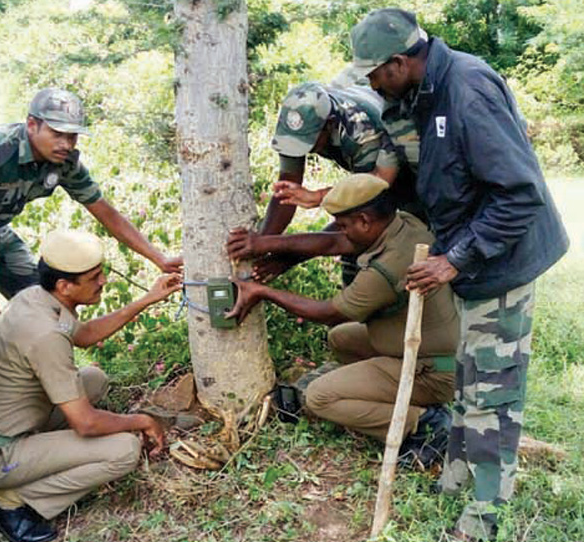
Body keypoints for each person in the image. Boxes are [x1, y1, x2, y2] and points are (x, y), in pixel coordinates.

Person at [349, 8, 569, 540]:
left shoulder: (466, 88)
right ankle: (458, 477)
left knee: (494, 393)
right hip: (473, 261)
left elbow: (519, 194)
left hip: (503, 264)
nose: (373, 84)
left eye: (374, 73)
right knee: (469, 379)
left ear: (399, 62)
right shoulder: (424, 94)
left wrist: (453, 259)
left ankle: (484, 516)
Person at [0, 230, 181, 542]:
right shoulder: (45, 335)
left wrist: (148, 298)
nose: (103, 281)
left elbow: (86, 334)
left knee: (92, 378)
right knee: (124, 450)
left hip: (1, 429)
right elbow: (86, 423)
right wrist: (143, 420)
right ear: (65, 285)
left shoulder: (34, 297)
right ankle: (12, 503)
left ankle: (21, 478)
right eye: (94, 277)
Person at [227, 174, 458, 465]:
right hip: (422, 348)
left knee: (319, 397)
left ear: (364, 220)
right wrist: (264, 244)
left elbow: (329, 313)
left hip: (432, 370)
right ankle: (386, 395)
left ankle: (425, 423)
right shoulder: (401, 225)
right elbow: (331, 243)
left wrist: (262, 292)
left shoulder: (389, 268)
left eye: (346, 225)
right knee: (342, 339)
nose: (343, 232)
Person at [0, 88, 182, 300]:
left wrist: (159, 258)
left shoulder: (62, 161)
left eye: (72, 136)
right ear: (32, 125)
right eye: (57, 133)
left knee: (42, 301)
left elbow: (105, 212)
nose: (66, 144)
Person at [227, 81, 417, 284]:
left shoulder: (362, 133)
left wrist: (284, 258)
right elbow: (286, 193)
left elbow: (361, 209)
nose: (303, 151)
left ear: (329, 124)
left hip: (408, 171)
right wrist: (259, 245)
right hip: (371, 175)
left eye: (309, 142)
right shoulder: (298, 125)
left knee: (384, 244)